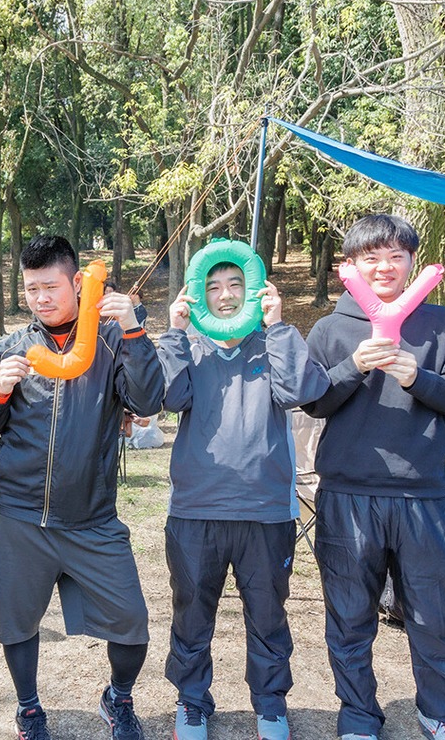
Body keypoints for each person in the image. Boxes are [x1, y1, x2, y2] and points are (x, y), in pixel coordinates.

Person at [0, 235, 165, 740]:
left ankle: (118, 697)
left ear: (77, 282)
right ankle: (29, 708)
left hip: (91, 517)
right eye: (32, 289)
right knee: (17, 624)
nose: (41, 298)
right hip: (20, 516)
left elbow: (148, 400)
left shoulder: (111, 339)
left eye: (50, 286)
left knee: (131, 622)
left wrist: (135, 330)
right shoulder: (12, 348)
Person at [301, 214, 445, 740]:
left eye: (395, 256)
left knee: (436, 616)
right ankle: (358, 717)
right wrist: (351, 368)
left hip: (422, 496)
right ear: (352, 266)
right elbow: (311, 401)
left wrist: (418, 377)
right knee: (350, 618)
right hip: (347, 495)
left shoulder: (443, 324)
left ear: (411, 263)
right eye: (371, 257)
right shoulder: (331, 328)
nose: (384, 267)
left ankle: (443, 715)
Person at [157, 264, 329, 740]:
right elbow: (169, 399)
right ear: (200, 296)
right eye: (213, 287)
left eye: (235, 285)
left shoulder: (271, 345)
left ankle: (270, 703)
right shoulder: (190, 345)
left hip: (265, 511)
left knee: (269, 614)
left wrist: (278, 325)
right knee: (191, 612)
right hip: (196, 509)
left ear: (251, 291)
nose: (225, 296)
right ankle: (192, 702)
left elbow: (301, 391)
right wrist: (174, 332)